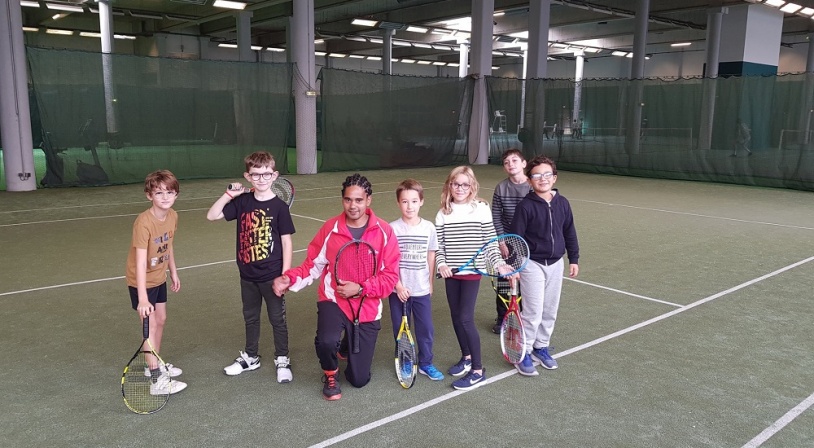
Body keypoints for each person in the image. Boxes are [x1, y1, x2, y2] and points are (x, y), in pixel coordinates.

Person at [272, 174, 400, 401]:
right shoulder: (331, 228)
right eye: (348, 200)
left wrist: (360, 288)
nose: (353, 205)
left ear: (368, 200)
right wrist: (289, 279)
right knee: (326, 340)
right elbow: (312, 264)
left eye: (359, 200)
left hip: (366, 306)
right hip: (334, 299)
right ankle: (330, 374)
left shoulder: (384, 232)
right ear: (343, 200)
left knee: (359, 380)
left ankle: (346, 345)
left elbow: (390, 278)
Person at [206, 151, 295, 383]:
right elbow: (212, 215)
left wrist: (285, 275)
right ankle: (251, 357)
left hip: (273, 276)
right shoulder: (242, 202)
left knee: (277, 319)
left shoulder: (279, 207)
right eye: (256, 175)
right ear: (248, 176)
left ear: (274, 175)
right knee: (251, 317)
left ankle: (282, 358)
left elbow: (286, 242)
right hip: (247, 275)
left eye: (266, 174)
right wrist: (228, 195)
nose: (261, 179)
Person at [436, 166, 515, 390]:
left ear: (472, 187)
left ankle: (478, 370)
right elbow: (439, 245)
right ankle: (467, 357)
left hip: (472, 274)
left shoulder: (480, 208)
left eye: (465, 184)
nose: (460, 188)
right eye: (455, 184)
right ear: (449, 186)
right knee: (455, 316)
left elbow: (490, 242)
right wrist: (441, 264)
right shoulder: (443, 213)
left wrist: (499, 263)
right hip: (452, 274)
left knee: (465, 318)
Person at [509, 156, 580, 376]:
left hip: (556, 263)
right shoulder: (525, 206)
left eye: (547, 174)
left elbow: (569, 231)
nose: (543, 179)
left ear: (554, 177)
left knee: (550, 309)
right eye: (537, 175)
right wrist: (515, 267)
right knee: (533, 312)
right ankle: (525, 352)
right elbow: (516, 239)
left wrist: (574, 258)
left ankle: (541, 346)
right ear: (530, 181)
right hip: (532, 264)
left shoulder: (563, 203)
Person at [126, 169, 188, 395]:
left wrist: (173, 271)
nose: (165, 197)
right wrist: (142, 297)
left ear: (176, 195)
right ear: (149, 195)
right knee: (150, 326)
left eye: (169, 192)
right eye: (159, 192)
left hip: (159, 277)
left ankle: (154, 362)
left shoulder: (172, 216)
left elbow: (168, 245)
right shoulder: (143, 223)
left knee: (160, 319)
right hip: (141, 282)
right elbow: (140, 262)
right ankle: (156, 380)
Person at [388, 179, 444, 382]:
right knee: (401, 330)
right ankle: (405, 360)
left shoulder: (428, 228)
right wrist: (398, 286)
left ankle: (426, 363)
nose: (409, 206)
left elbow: (431, 256)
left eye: (413, 201)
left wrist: (430, 283)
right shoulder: (392, 229)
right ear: (398, 203)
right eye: (404, 201)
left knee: (425, 328)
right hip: (398, 292)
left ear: (421, 202)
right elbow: (388, 261)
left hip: (421, 290)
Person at [490, 149, 531, 334]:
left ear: (524, 164)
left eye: (514, 160)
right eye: (506, 162)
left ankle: (523, 317)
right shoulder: (501, 188)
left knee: (527, 283)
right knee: (505, 282)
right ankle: (502, 318)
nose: (510, 164)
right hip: (507, 242)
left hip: (529, 243)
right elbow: (496, 216)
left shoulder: (532, 186)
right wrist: (502, 242)